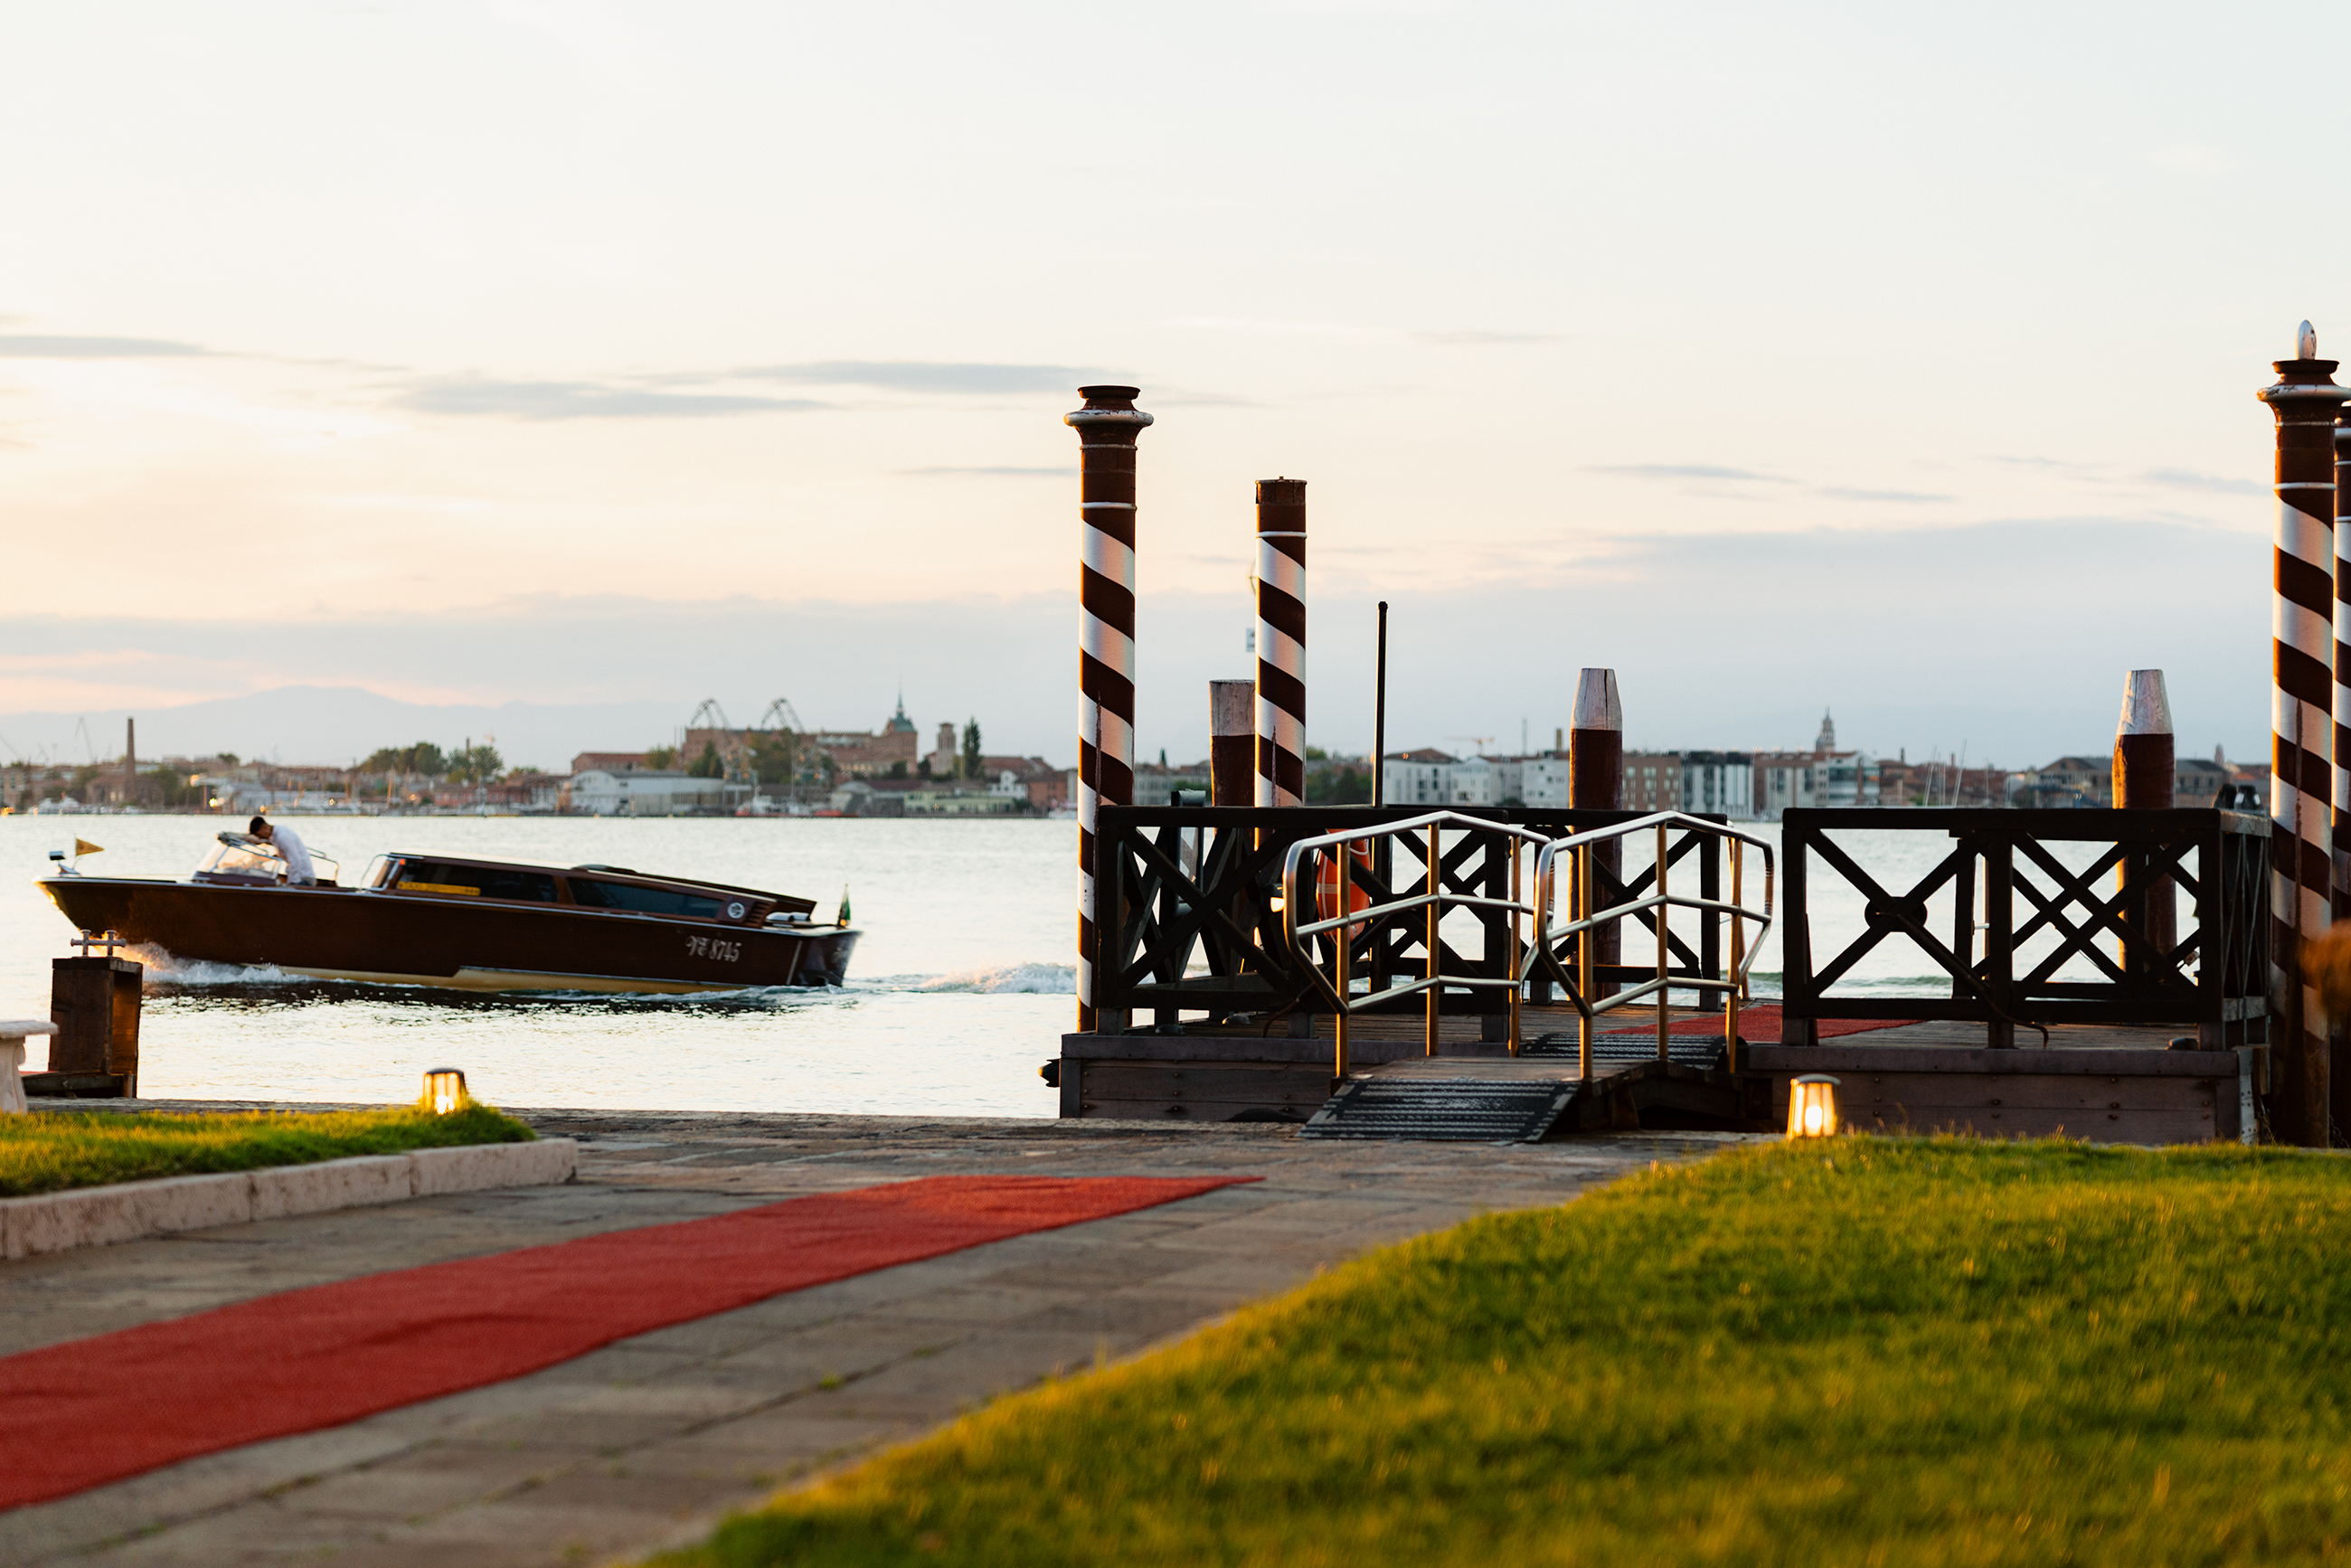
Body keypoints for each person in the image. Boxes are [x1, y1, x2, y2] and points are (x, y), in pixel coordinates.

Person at [249, 815, 317, 886]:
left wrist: (291, 882)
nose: (260, 837)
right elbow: (276, 847)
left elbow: (295, 860)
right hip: (299, 876)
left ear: (264, 827)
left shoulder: (283, 837)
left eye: (259, 835)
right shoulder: (276, 834)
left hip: (303, 878)